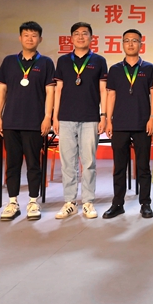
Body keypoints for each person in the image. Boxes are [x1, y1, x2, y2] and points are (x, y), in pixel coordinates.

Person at [0, 21, 55, 221]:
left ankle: (33, 202)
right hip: (11, 121)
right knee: (12, 164)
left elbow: (50, 91)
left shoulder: (46, 62)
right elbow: (2, 90)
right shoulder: (9, 61)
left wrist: (47, 117)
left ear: (40, 39)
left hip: (34, 123)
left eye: (34, 35)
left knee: (33, 164)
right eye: (26, 35)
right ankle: (12, 203)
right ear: (20, 38)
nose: (30, 39)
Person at [52, 22, 108, 220]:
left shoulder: (99, 61)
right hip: (66, 118)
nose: (81, 37)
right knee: (68, 162)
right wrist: (55, 116)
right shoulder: (63, 61)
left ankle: (88, 202)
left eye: (85, 33)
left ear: (91, 38)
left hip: (90, 118)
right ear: (71, 38)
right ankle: (70, 202)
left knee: (89, 162)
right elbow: (58, 90)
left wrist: (104, 115)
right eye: (77, 34)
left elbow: (103, 90)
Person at [103, 29, 153, 219]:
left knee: (143, 167)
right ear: (122, 44)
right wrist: (108, 120)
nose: (131, 44)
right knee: (119, 167)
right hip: (119, 124)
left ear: (141, 44)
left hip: (142, 124)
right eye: (127, 40)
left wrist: (152, 118)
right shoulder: (115, 69)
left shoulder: (149, 68)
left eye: (135, 40)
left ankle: (145, 203)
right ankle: (117, 204)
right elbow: (111, 95)